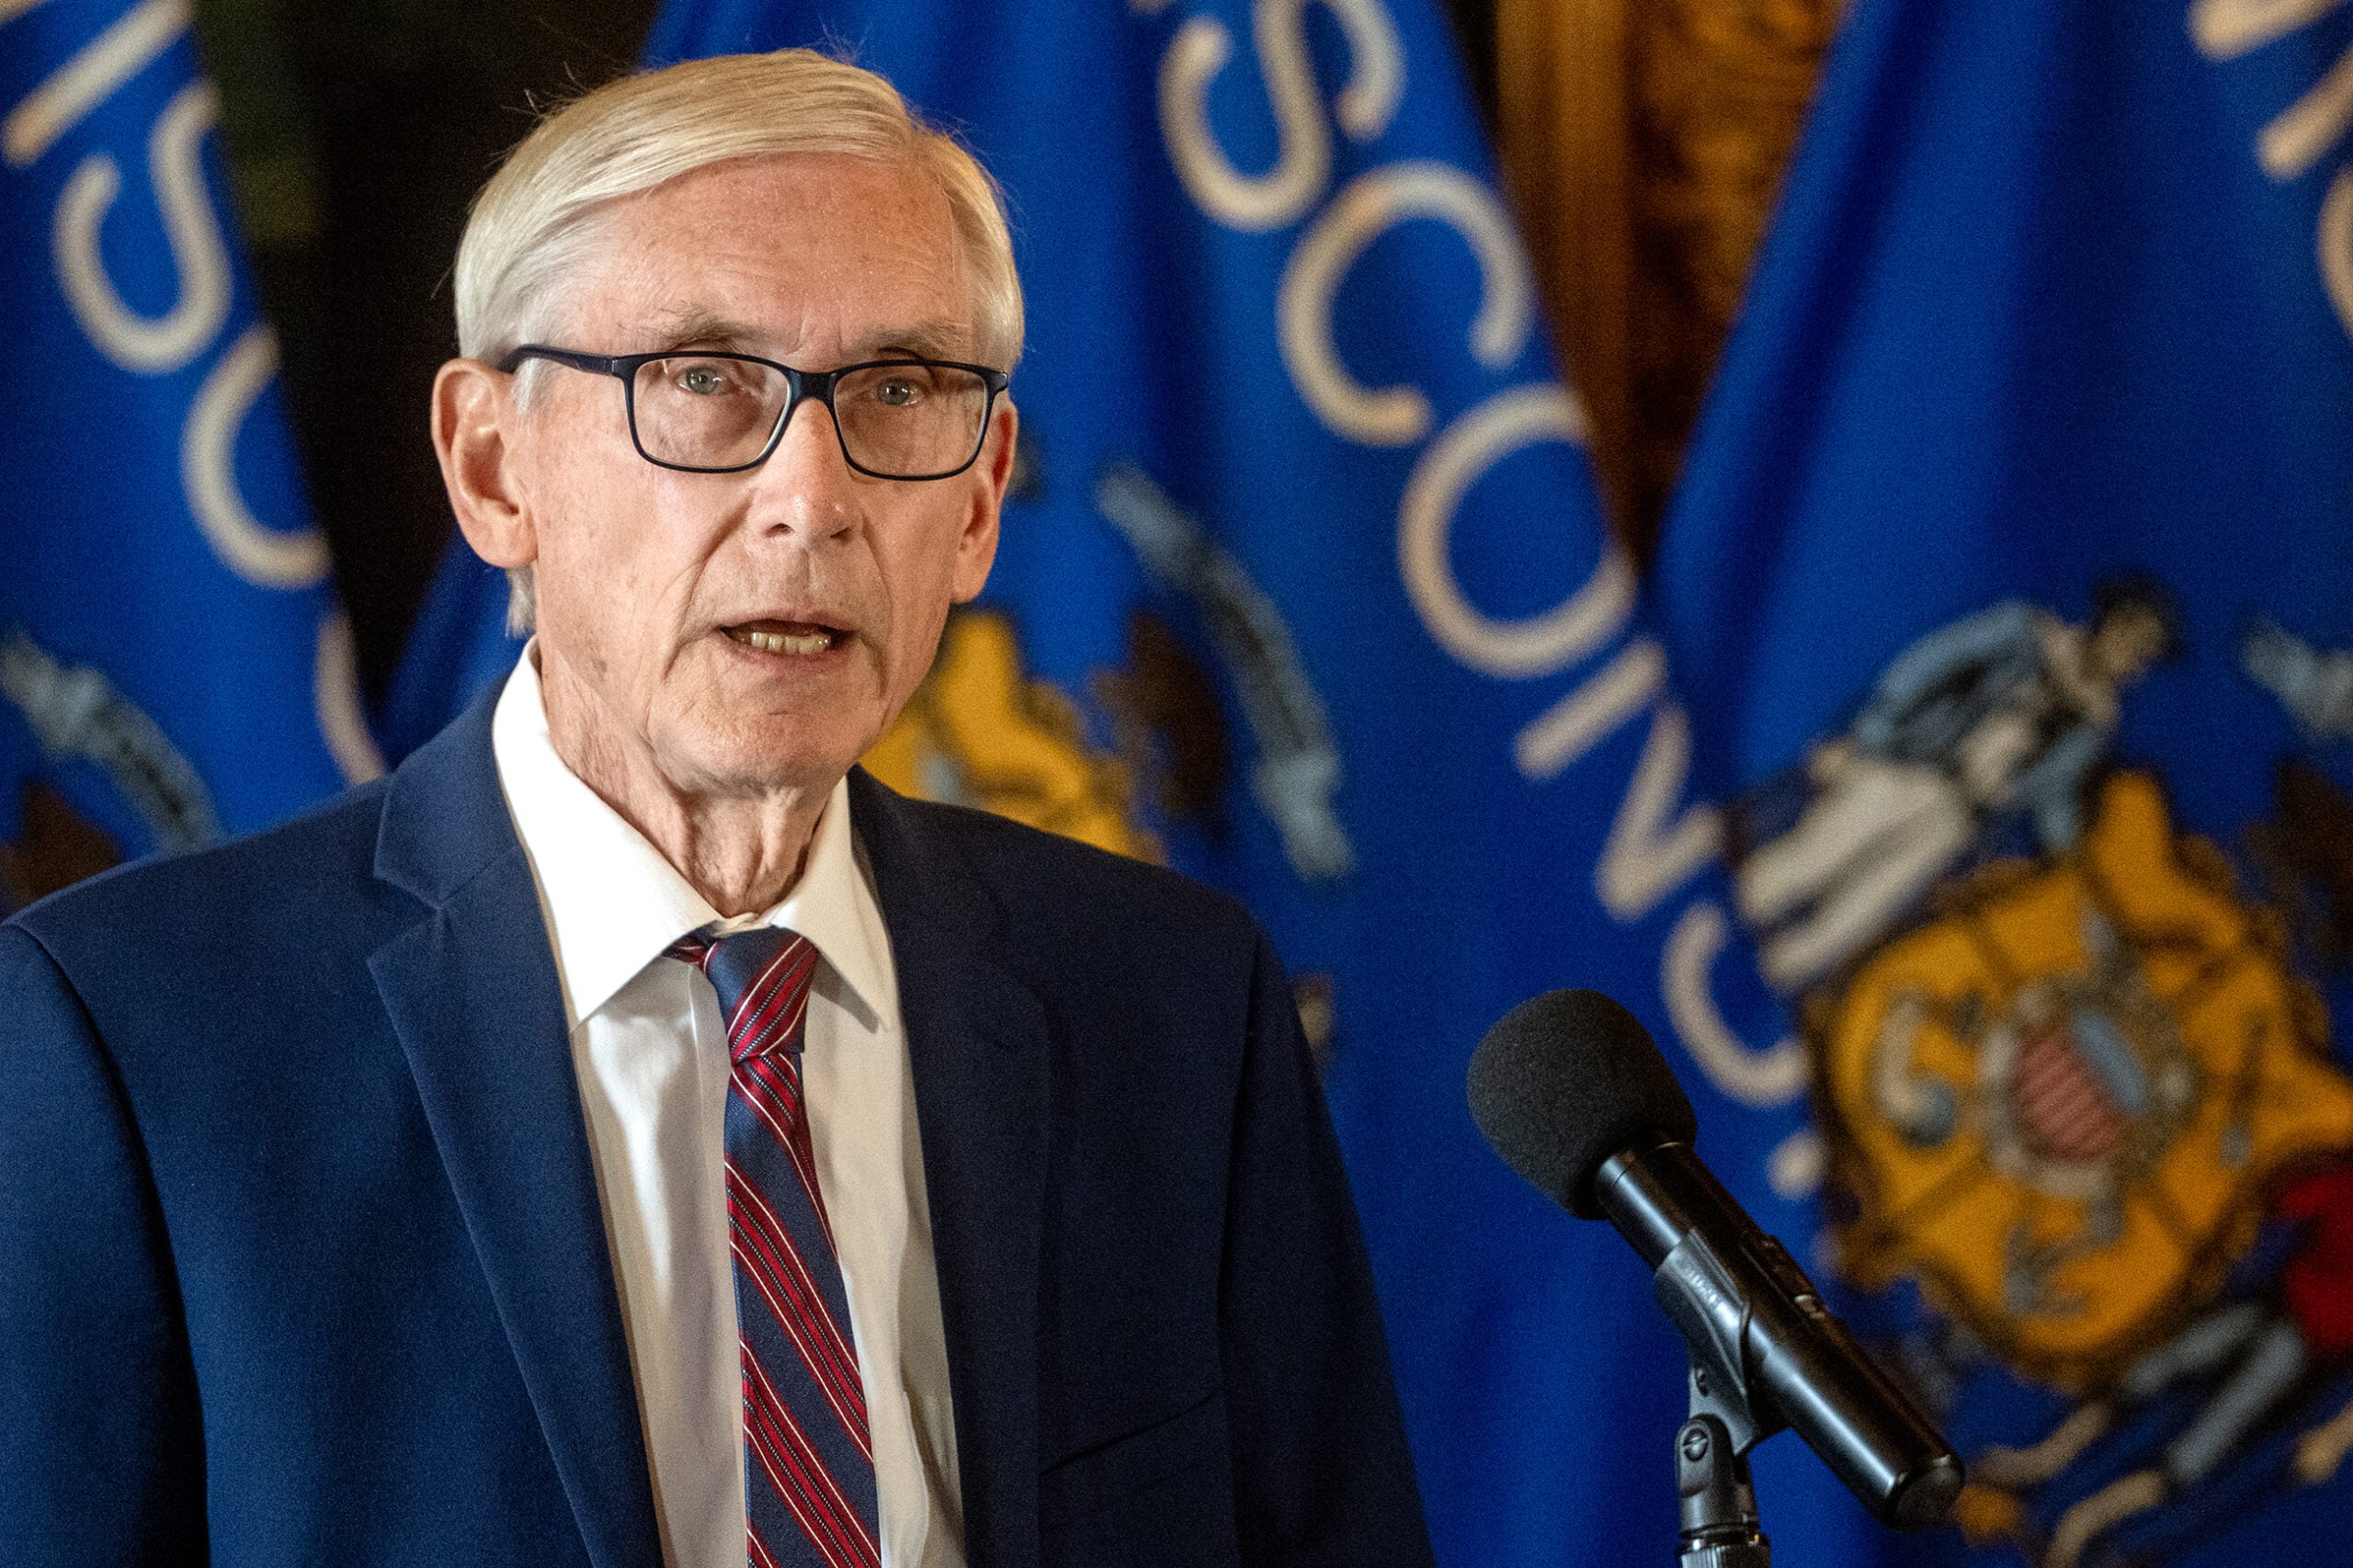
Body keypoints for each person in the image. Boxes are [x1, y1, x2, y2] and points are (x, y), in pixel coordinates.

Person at [0, 51, 1432, 1568]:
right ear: (493, 469)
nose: (811, 497)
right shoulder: (135, 1041)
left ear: (980, 501)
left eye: (899, 391)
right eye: (701, 379)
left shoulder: (1175, 1005)